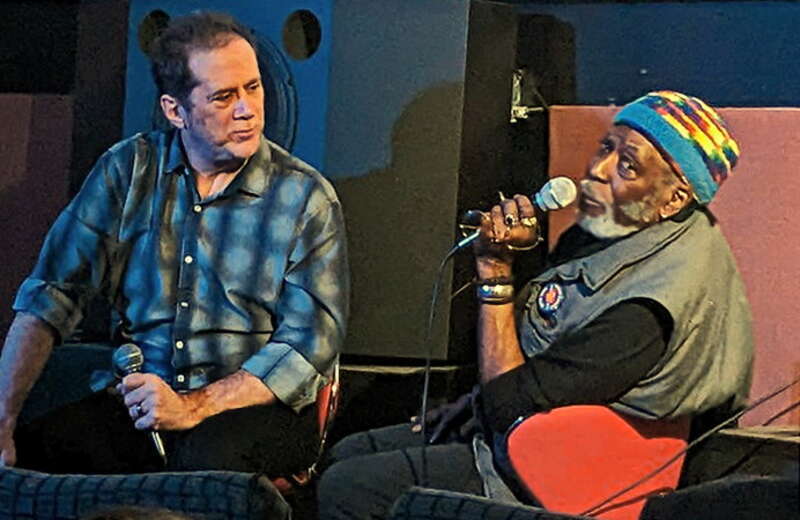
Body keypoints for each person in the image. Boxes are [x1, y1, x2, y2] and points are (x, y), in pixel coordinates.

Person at [316, 90, 753, 519]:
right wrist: (527, 252)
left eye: (627, 165)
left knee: (350, 488)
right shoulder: (623, 227)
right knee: (345, 453)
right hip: (522, 429)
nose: (597, 170)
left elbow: (510, 401)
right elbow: (544, 327)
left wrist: (495, 271)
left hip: (558, 470)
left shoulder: (651, 306)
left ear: (674, 198)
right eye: (606, 147)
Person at [0, 10, 348, 484]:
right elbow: (51, 297)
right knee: (32, 460)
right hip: (144, 400)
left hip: (254, 405)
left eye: (253, 88)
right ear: (174, 110)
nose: (247, 110)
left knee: (199, 472)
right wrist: (3, 418)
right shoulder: (125, 171)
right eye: (224, 96)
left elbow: (309, 346)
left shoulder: (306, 198)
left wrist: (190, 406)